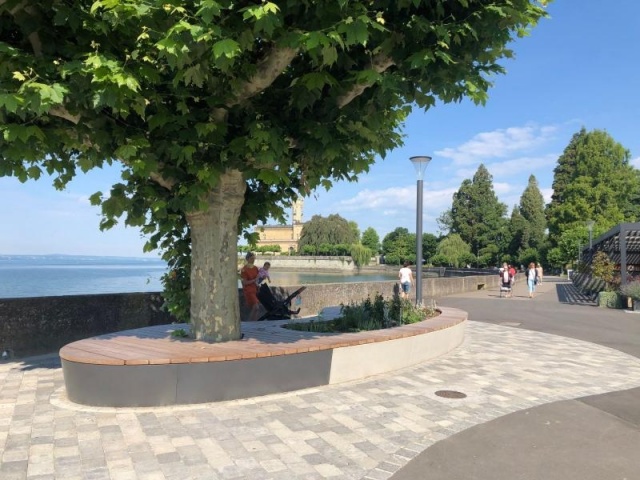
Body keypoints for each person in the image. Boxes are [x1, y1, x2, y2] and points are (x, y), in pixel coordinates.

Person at [240, 252, 260, 320]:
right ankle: (250, 322)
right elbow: (244, 283)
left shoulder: (256, 268)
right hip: (248, 290)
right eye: (251, 258)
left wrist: (260, 279)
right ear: (247, 259)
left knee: (255, 308)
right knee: (256, 307)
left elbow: (257, 280)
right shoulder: (244, 269)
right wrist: (254, 280)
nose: (253, 260)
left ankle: (254, 322)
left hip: (254, 289)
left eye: (254, 258)